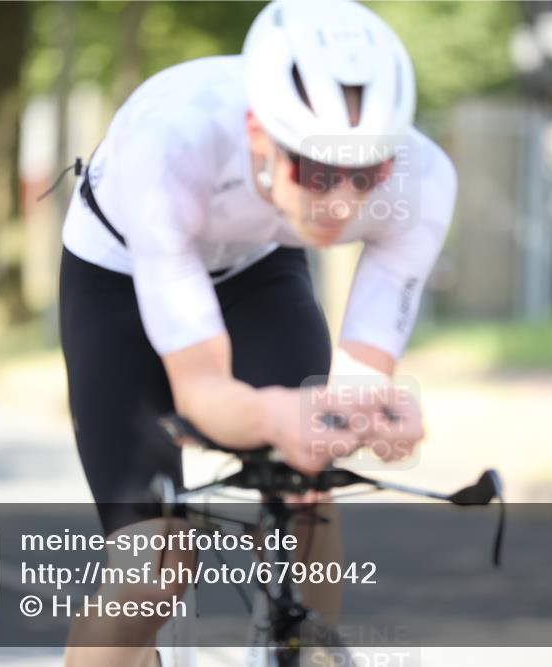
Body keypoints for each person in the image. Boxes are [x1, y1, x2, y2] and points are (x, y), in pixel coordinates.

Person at [59, 1, 456, 664]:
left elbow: (358, 376)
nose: (341, 203)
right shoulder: (171, 147)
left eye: (368, 174)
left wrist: (365, 412)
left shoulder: (423, 178)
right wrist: (285, 414)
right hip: (120, 272)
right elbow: (203, 392)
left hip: (256, 262)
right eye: (317, 171)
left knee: (309, 491)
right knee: (153, 566)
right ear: (258, 135)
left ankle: (308, 652)